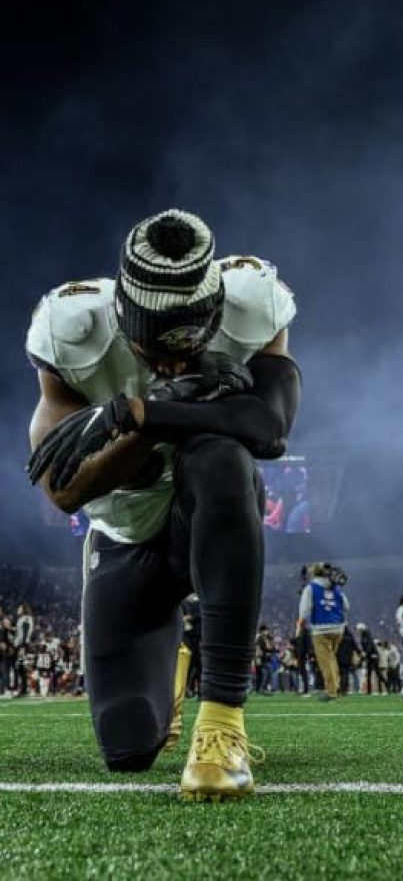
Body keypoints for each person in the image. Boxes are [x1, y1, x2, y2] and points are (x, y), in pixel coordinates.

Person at [25, 209, 301, 801]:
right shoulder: (71, 329)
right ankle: (168, 662)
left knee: (221, 457)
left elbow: (269, 429)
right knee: (127, 751)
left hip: (208, 514)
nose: (173, 365)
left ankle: (223, 722)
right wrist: (148, 433)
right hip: (125, 538)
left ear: (216, 312)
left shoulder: (252, 303)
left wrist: (149, 410)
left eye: (189, 348)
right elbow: (64, 490)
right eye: (157, 353)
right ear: (124, 322)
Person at [298, 562, 349, 701]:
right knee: (332, 658)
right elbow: (346, 606)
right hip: (338, 627)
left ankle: (331, 691)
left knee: (325, 661)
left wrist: (300, 625)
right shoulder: (336, 588)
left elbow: (304, 610)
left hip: (320, 629)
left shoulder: (311, 587)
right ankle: (336, 686)